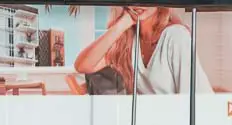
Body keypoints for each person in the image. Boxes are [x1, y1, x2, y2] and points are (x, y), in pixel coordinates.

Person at [73, 7, 212, 95]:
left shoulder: (176, 37)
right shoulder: (128, 42)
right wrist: (122, 24)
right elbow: (83, 65)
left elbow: (195, 101)